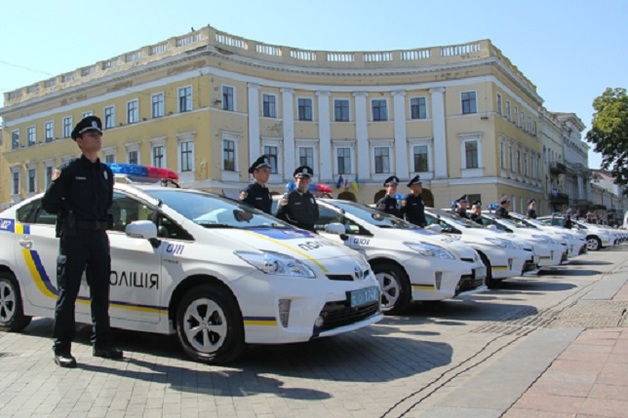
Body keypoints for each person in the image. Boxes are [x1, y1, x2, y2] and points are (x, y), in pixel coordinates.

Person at [41, 116, 123, 368]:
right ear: (79, 141)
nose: (97, 138)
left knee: (101, 293)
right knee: (69, 294)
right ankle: (62, 348)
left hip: (98, 237)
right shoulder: (69, 171)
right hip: (74, 238)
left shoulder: (105, 173)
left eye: (99, 134)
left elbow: (107, 204)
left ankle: (102, 343)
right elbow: (49, 203)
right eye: (91, 135)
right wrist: (70, 214)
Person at [275, 165, 319, 231]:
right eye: (301, 179)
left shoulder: (311, 197)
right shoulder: (289, 197)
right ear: (295, 180)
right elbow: (280, 216)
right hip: (294, 232)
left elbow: (315, 215)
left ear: (310, 180)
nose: (304, 181)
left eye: (306, 179)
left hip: (310, 231)